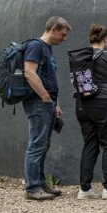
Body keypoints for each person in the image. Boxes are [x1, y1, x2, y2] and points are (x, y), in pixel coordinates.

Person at [75, 24, 107, 200]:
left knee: (90, 144)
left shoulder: (80, 57)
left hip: (82, 105)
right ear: (105, 39)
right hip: (104, 104)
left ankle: (84, 189)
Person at [23, 16, 71, 201]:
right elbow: (29, 73)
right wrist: (45, 98)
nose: (64, 38)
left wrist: (55, 104)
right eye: (62, 34)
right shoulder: (35, 46)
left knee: (43, 144)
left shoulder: (47, 50)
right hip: (38, 103)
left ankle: (41, 184)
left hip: (47, 103)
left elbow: (50, 79)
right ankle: (33, 188)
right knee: (36, 144)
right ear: (53, 29)